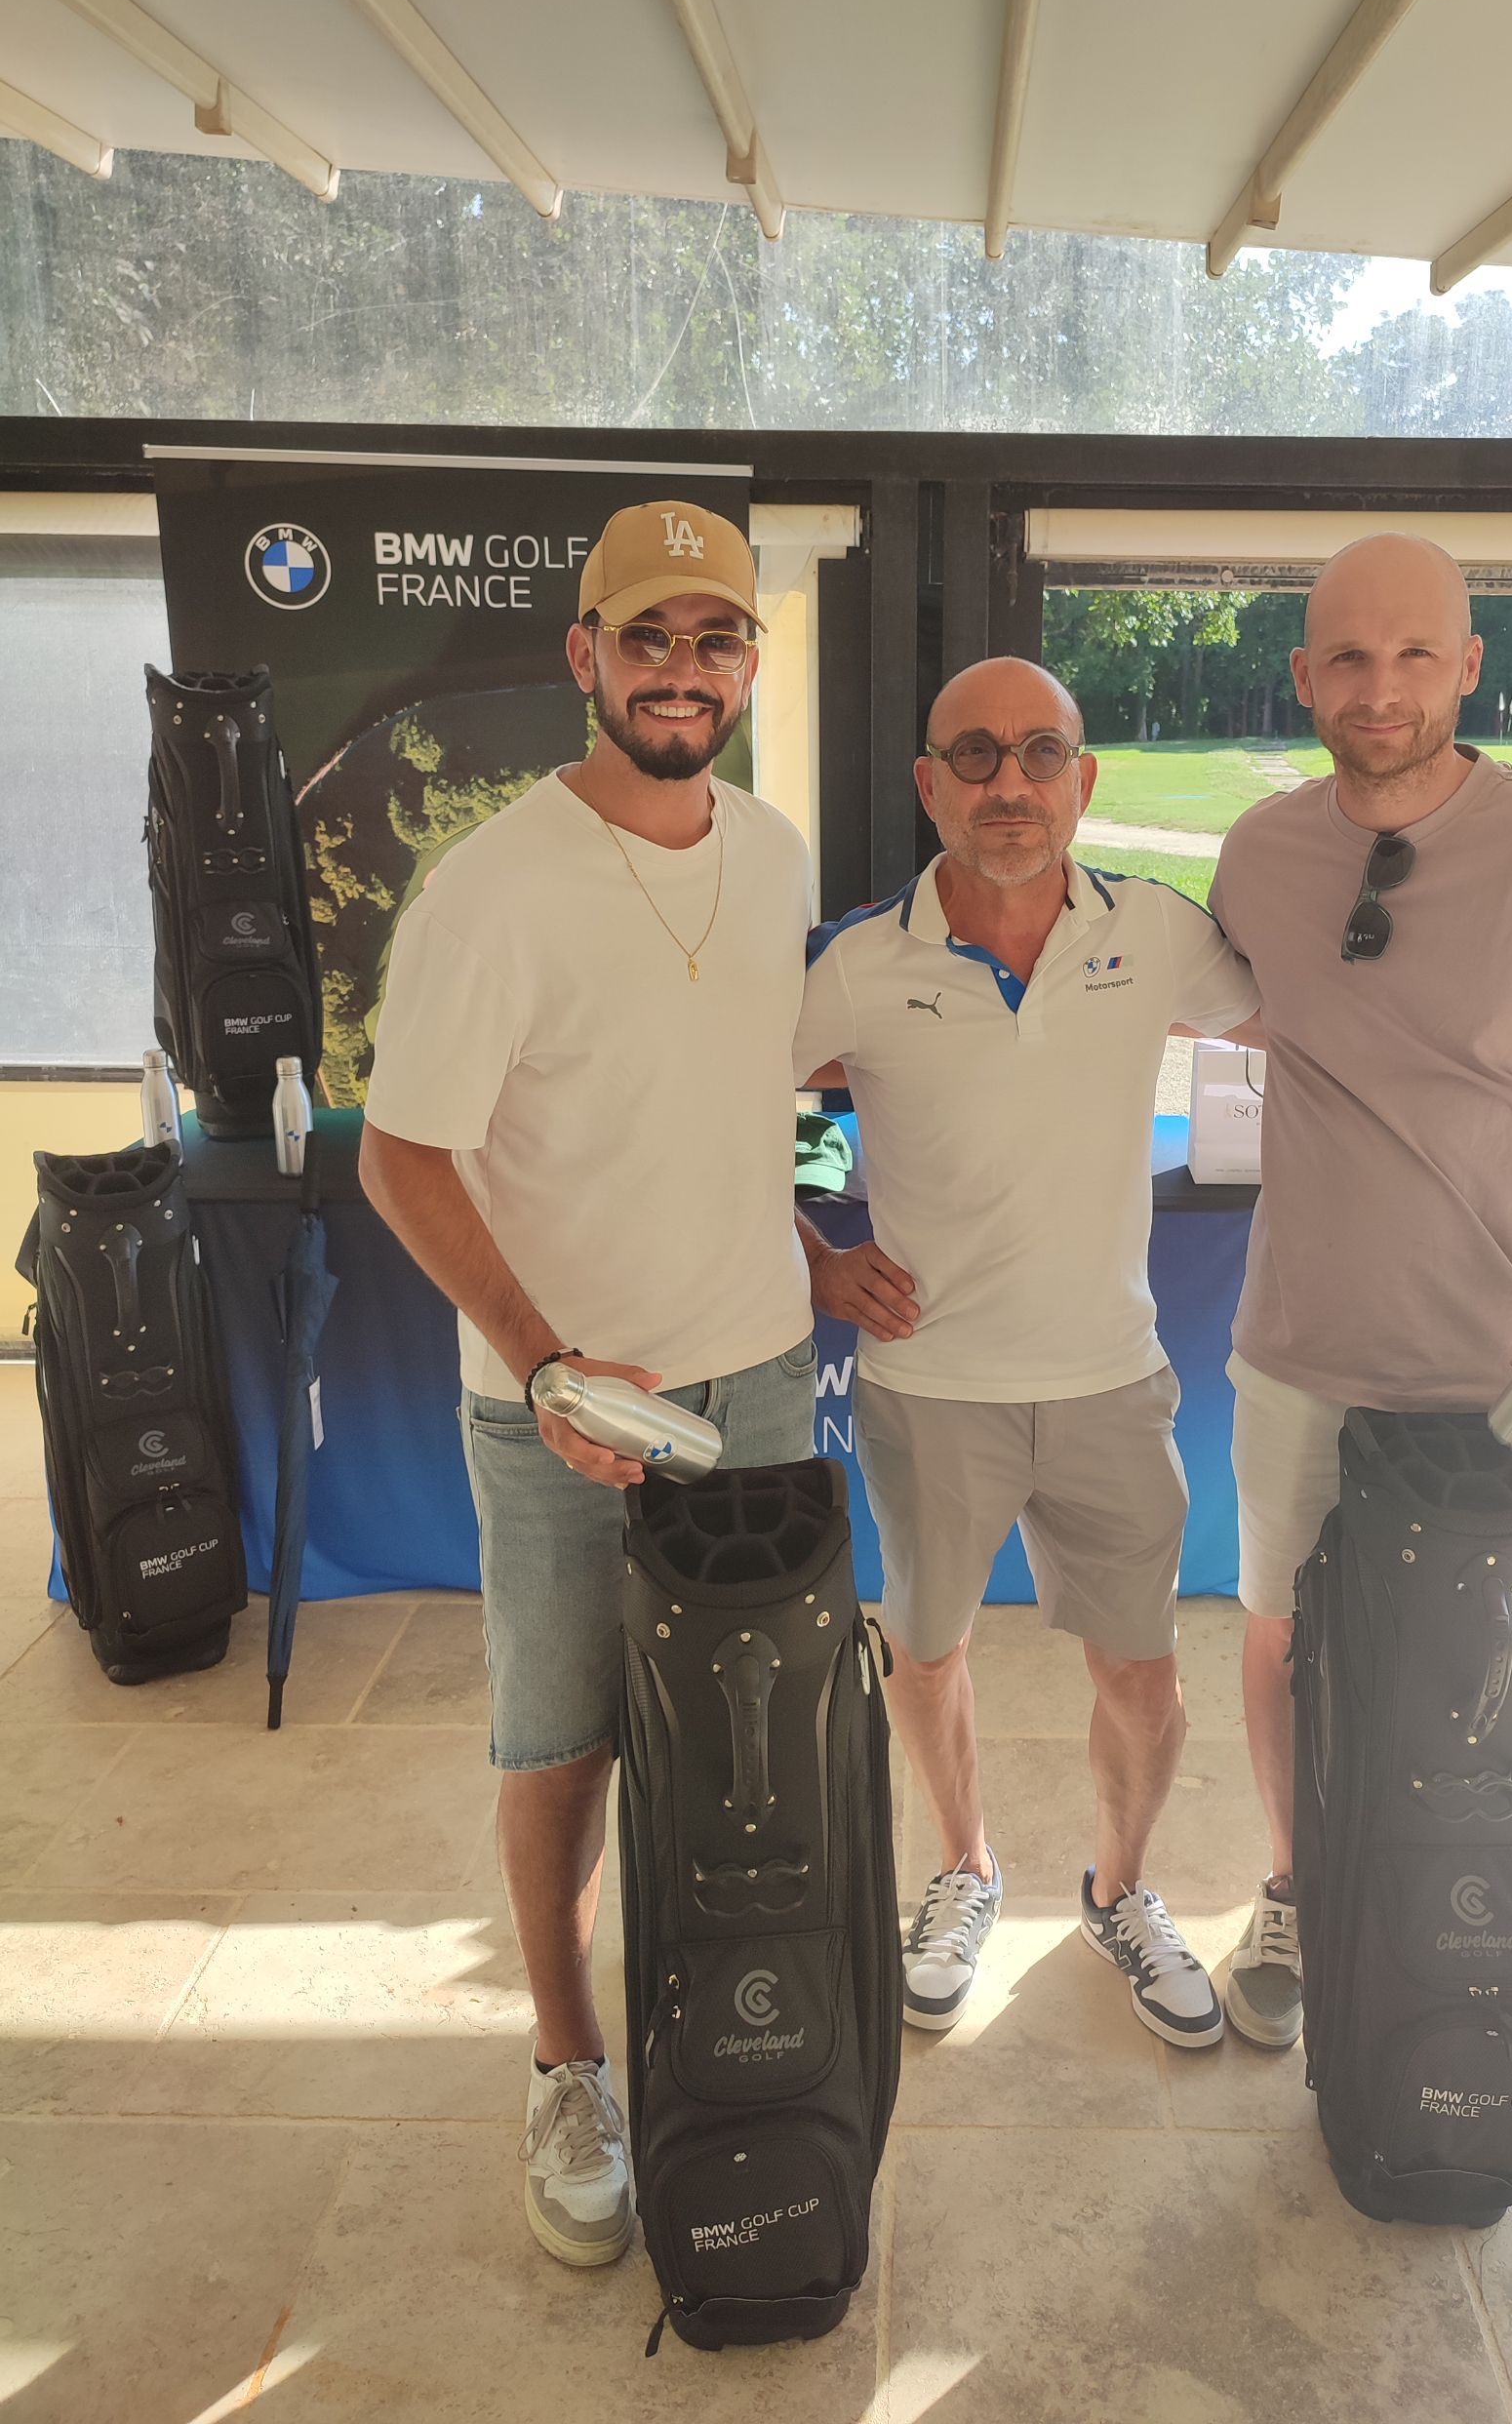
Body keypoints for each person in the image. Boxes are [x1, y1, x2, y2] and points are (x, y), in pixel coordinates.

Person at [359, 501, 819, 2266]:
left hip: (757, 1375)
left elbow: (719, 1100)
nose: (681, 672)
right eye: (648, 638)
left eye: (715, 639)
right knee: (563, 1744)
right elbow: (404, 1156)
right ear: (586, 656)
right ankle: (568, 2064)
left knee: (747, 1737)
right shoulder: (492, 888)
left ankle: (734, 2026)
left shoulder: (773, 856)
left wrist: (810, 1244)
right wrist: (544, 1360)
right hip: (560, 1409)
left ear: (750, 665)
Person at [1207, 534, 1512, 2050]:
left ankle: (1477, 1913)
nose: (1383, 689)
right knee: (1282, 1636)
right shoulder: (1260, 855)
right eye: (1350, 659)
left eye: (1416, 654)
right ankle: (1299, 1885)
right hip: (1303, 1349)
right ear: (1304, 676)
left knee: (1500, 1670)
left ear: (1470, 666)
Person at [794, 656, 1262, 2048]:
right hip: (930, 1387)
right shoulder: (857, 962)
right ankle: (966, 1869)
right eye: (976, 755)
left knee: (1145, 1679)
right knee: (927, 1651)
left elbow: (1324, 1006)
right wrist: (812, 1254)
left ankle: (1119, 1890)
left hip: (1112, 1378)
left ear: (1083, 779)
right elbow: (716, 1102)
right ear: (928, 784)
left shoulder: (1158, 933)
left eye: (1040, 752)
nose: (1010, 783)